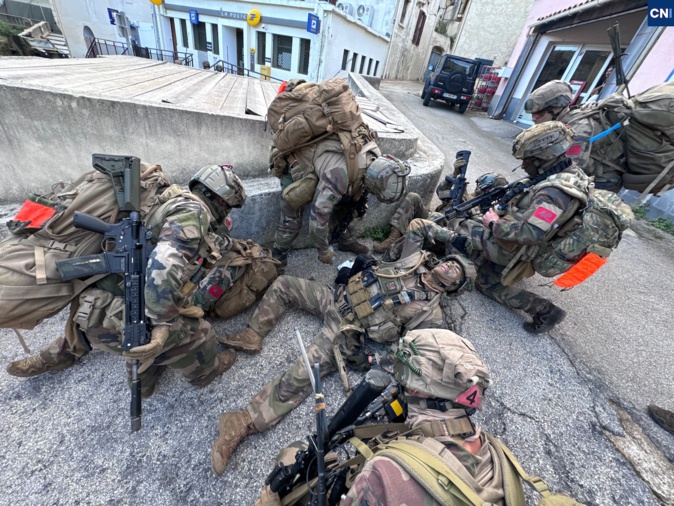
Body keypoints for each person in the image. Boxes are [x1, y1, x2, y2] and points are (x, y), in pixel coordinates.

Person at [210, 219, 476, 475]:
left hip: (346, 330)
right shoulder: (412, 259)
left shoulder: (430, 315)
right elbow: (418, 226)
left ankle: (242, 421)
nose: (450, 267)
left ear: (454, 287)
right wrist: (452, 238)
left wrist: (372, 360)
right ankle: (253, 334)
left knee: (303, 373)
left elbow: (409, 351)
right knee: (284, 284)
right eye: (450, 262)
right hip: (334, 298)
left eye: (457, 272)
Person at [256, 328, 582, 505]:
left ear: (422, 392)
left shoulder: (385, 474)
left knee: (293, 455)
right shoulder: (498, 456)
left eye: (404, 380)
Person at [7, 165, 246, 397]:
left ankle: (56, 360)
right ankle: (205, 374)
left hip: (89, 303)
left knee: (89, 332)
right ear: (222, 201)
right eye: (230, 206)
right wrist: (162, 324)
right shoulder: (194, 213)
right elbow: (163, 266)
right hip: (120, 315)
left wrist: (231, 244)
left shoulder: (168, 200)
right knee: (199, 335)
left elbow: (201, 241)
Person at [449, 122, 594, 334]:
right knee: (486, 283)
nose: (524, 165)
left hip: (516, 249)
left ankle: (544, 309)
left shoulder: (554, 193)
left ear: (543, 156)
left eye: (527, 159)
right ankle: (543, 309)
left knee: (456, 224)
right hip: (521, 246)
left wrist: (493, 223)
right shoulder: (569, 172)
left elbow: (531, 233)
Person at [268, 78, 410, 267]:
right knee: (291, 220)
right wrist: (323, 250)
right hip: (294, 158)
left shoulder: (374, 155)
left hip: (327, 158)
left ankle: (344, 239)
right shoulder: (339, 176)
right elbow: (317, 220)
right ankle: (277, 260)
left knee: (354, 203)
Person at [373, 169, 508, 253]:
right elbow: (441, 192)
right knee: (413, 197)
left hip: (442, 236)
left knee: (435, 217)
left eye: (483, 188)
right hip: (431, 219)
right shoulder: (468, 195)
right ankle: (392, 238)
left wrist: (467, 208)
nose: (478, 189)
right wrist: (454, 175)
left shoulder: (488, 213)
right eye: (479, 186)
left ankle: (401, 247)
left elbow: (469, 232)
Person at [524, 80, 624, 192]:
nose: (534, 118)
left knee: (549, 197)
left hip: (603, 181)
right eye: (533, 114)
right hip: (586, 175)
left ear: (556, 109)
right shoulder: (562, 123)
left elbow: (571, 169)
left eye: (540, 113)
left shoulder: (580, 127)